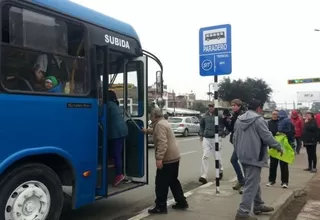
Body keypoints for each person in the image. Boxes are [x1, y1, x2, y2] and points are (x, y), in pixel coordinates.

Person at [233, 99, 283, 220]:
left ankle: (258, 204)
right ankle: (242, 213)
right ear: (259, 108)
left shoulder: (239, 119)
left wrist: (239, 151)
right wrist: (278, 146)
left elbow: (234, 137)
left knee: (253, 181)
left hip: (243, 156)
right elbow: (267, 136)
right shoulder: (258, 120)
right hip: (255, 156)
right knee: (251, 184)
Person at [142, 108, 188, 214]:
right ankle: (181, 202)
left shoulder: (160, 125)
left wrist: (159, 158)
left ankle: (160, 206)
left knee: (161, 183)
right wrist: (147, 131)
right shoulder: (163, 122)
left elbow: (162, 142)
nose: (150, 118)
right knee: (173, 181)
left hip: (168, 159)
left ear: (154, 116)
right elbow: (156, 132)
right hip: (174, 157)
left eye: (151, 116)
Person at [198, 102, 226, 184]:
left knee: (217, 156)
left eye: (212, 106)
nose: (210, 107)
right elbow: (202, 125)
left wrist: (224, 133)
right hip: (207, 138)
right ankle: (203, 176)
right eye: (209, 106)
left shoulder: (219, 115)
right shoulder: (205, 116)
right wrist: (201, 134)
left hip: (216, 138)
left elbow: (226, 124)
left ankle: (220, 171)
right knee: (205, 156)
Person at [223, 99, 245, 193]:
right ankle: (241, 181)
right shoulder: (234, 115)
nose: (233, 107)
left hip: (242, 141)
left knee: (244, 162)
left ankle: (245, 183)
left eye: (235, 105)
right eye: (232, 105)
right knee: (234, 160)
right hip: (236, 141)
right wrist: (225, 120)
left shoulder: (243, 115)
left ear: (239, 106)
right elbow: (231, 128)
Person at [107, 90, 128, 186]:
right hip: (122, 130)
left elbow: (97, 113)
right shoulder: (115, 104)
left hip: (116, 132)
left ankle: (119, 174)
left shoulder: (108, 105)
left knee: (116, 154)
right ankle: (118, 170)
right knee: (117, 152)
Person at [266, 110, 291, 188]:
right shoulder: (268, 123)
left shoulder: (283, 122)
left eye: (276, 114)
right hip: (273, 146)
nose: (274, 115)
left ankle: (284, 182)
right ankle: (271, 180)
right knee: (273, 164)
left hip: (282, 146)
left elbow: (289, 132)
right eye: (273, 114)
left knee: (284, 165)